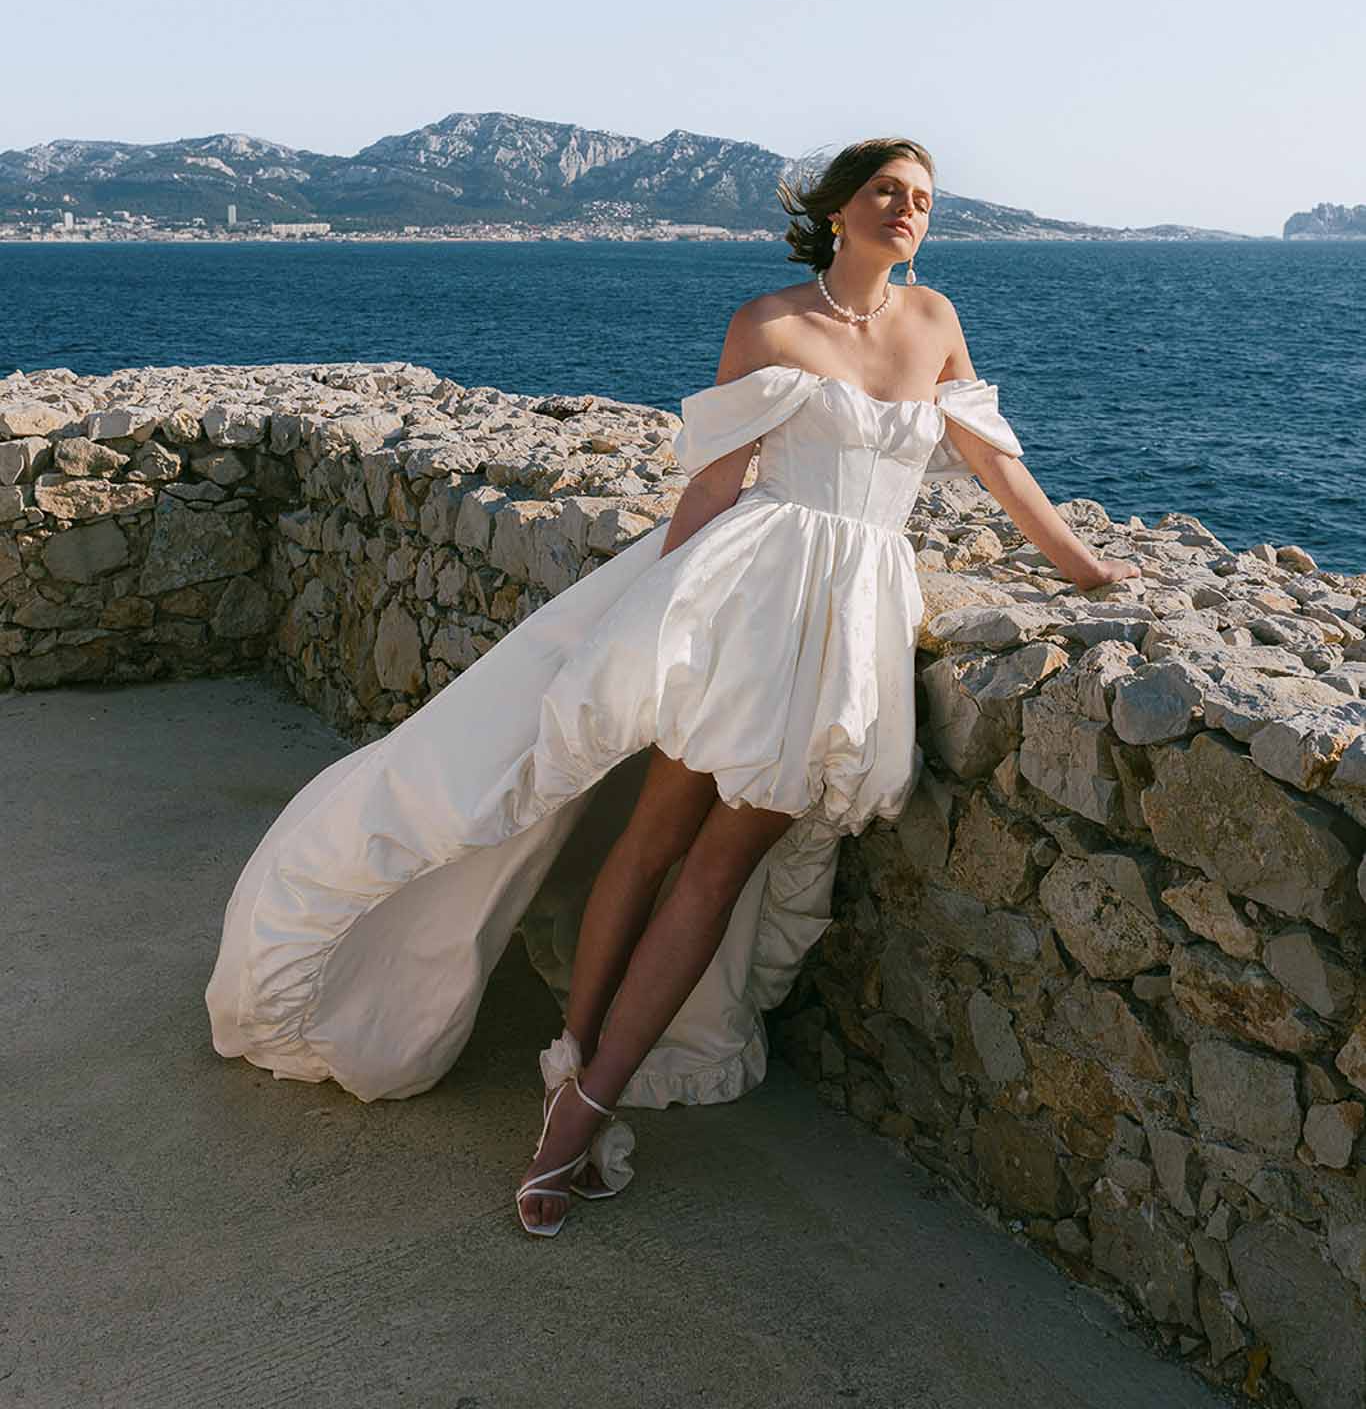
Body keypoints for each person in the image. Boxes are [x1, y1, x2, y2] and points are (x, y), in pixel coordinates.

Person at [205, 136, 1138, 1238]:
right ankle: (571, 1067)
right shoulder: (768, 321)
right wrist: (638, 615)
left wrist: (1089, 568)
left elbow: (994, 463)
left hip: (845, 621)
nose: (908, 210)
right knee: (651, 845)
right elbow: (712, 484)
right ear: (838, 207)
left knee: (714, 867)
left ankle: (579, 1114)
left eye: (924, 198)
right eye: (887, 190)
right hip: (743, 597)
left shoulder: (934, 321)